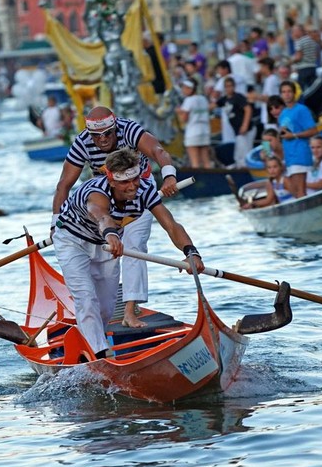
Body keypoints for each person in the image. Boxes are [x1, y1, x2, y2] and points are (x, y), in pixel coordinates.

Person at [53, 147, 203, 358]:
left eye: (135, 179)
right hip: (72, 241)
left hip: (107, 245)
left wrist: (191, 252)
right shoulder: (96, 192)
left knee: (105, 309)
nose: (132, 186)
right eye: (124, 182)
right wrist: (112, 235)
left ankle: (92, 342)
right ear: (111, 180)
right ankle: (100, 355)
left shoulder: (144, 190)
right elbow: (101, 216)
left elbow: (171, 225)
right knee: (86, 298)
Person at [52, 106, 180, 329]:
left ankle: (129, 312)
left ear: (115, 128)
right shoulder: (82, 142)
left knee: (134, 245)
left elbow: (158, 151)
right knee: (105, 248)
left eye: (107, 134)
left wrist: (169, 176)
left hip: (139, 189)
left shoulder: (128, 129)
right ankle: (91, 304)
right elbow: (64, 185)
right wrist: (55, 225)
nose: (102, 140)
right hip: (104, 196)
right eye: (96, 136)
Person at [277, 80, 317, 198]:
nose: (287, 94)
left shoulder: (301, 110)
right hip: (289, 155)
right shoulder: (283, 113)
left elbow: (314, 130)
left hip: (299, 152)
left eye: (289, 91)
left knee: (300, 190)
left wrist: (294, 135)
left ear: (294, 93)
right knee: (294, 190)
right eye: (284, 92)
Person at [214, 76, 254, 168]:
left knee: (244, 152)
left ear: (234, 86)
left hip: (246, 129)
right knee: (239, 153)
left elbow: (248, 109)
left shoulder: (238, 97)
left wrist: (245, 125)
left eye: (230, 86)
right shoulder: (224, 99)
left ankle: (245, 170)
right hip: (237, 130)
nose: (229, 88)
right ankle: (240, 168)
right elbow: (213, 105)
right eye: (227, 86)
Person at [176, 78, 212, 168]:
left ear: (191, 88)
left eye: (185, 88)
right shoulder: (203, 98)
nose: (183, 90)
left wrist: (179, 112)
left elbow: (184, 119)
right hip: (205, 131)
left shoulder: (189, 100)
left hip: (193, 132)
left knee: (195, 163)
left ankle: (198, 182)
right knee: (206, 161)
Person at [291, 23, 319, 92]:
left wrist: (290, 61)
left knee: (303, 92)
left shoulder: (299, 41)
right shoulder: (311, 39)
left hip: (303, 70)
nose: (292, 33)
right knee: (312, 90)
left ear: (299, 31)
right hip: (313, 67)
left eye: (293, 31)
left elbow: (298, 57)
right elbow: (317, 54)